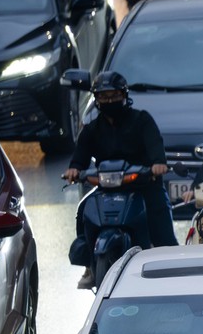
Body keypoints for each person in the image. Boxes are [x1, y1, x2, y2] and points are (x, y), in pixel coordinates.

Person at [65, 70, 173, 275]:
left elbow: (155, 148)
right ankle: (88, 262)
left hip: (142, 184)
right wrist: (74, 169)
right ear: (96, 99)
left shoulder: (142, 120)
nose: (109, 100)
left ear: (125, 96)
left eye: (114, 95)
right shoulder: (92, 129)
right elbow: (80, 157)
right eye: (103, 97)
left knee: (158, 211)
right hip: (107, 187)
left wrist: (158, 164)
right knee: (83, 210)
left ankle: (167, 262)